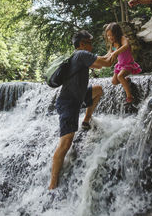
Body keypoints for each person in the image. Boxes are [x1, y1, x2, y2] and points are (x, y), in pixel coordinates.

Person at [48, 30, 113, 189]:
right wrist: (119, 48)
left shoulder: (78, 56)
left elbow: (100, 62)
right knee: (66, 142)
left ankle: (86, 120)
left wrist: (112, 48)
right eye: (89, 43)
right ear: (82, 44)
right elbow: (107, 63)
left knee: (98, 90)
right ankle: (53, 183)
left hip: (78, 97)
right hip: (68, 102)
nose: (91, 45)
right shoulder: (81, 54)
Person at [104, 22, 142, 103]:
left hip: (128, 64)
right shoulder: (113, 44)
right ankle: (127, 81)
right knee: (114, 82)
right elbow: (108, 54)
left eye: (112, 35)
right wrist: (100, 59)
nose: (110, 37)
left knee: (120, 76)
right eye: (108, 35)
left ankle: (129, 96)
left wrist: (115, 52)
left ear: (117, 33)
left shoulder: (122, 39)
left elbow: (126, 46)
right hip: (120, 65)